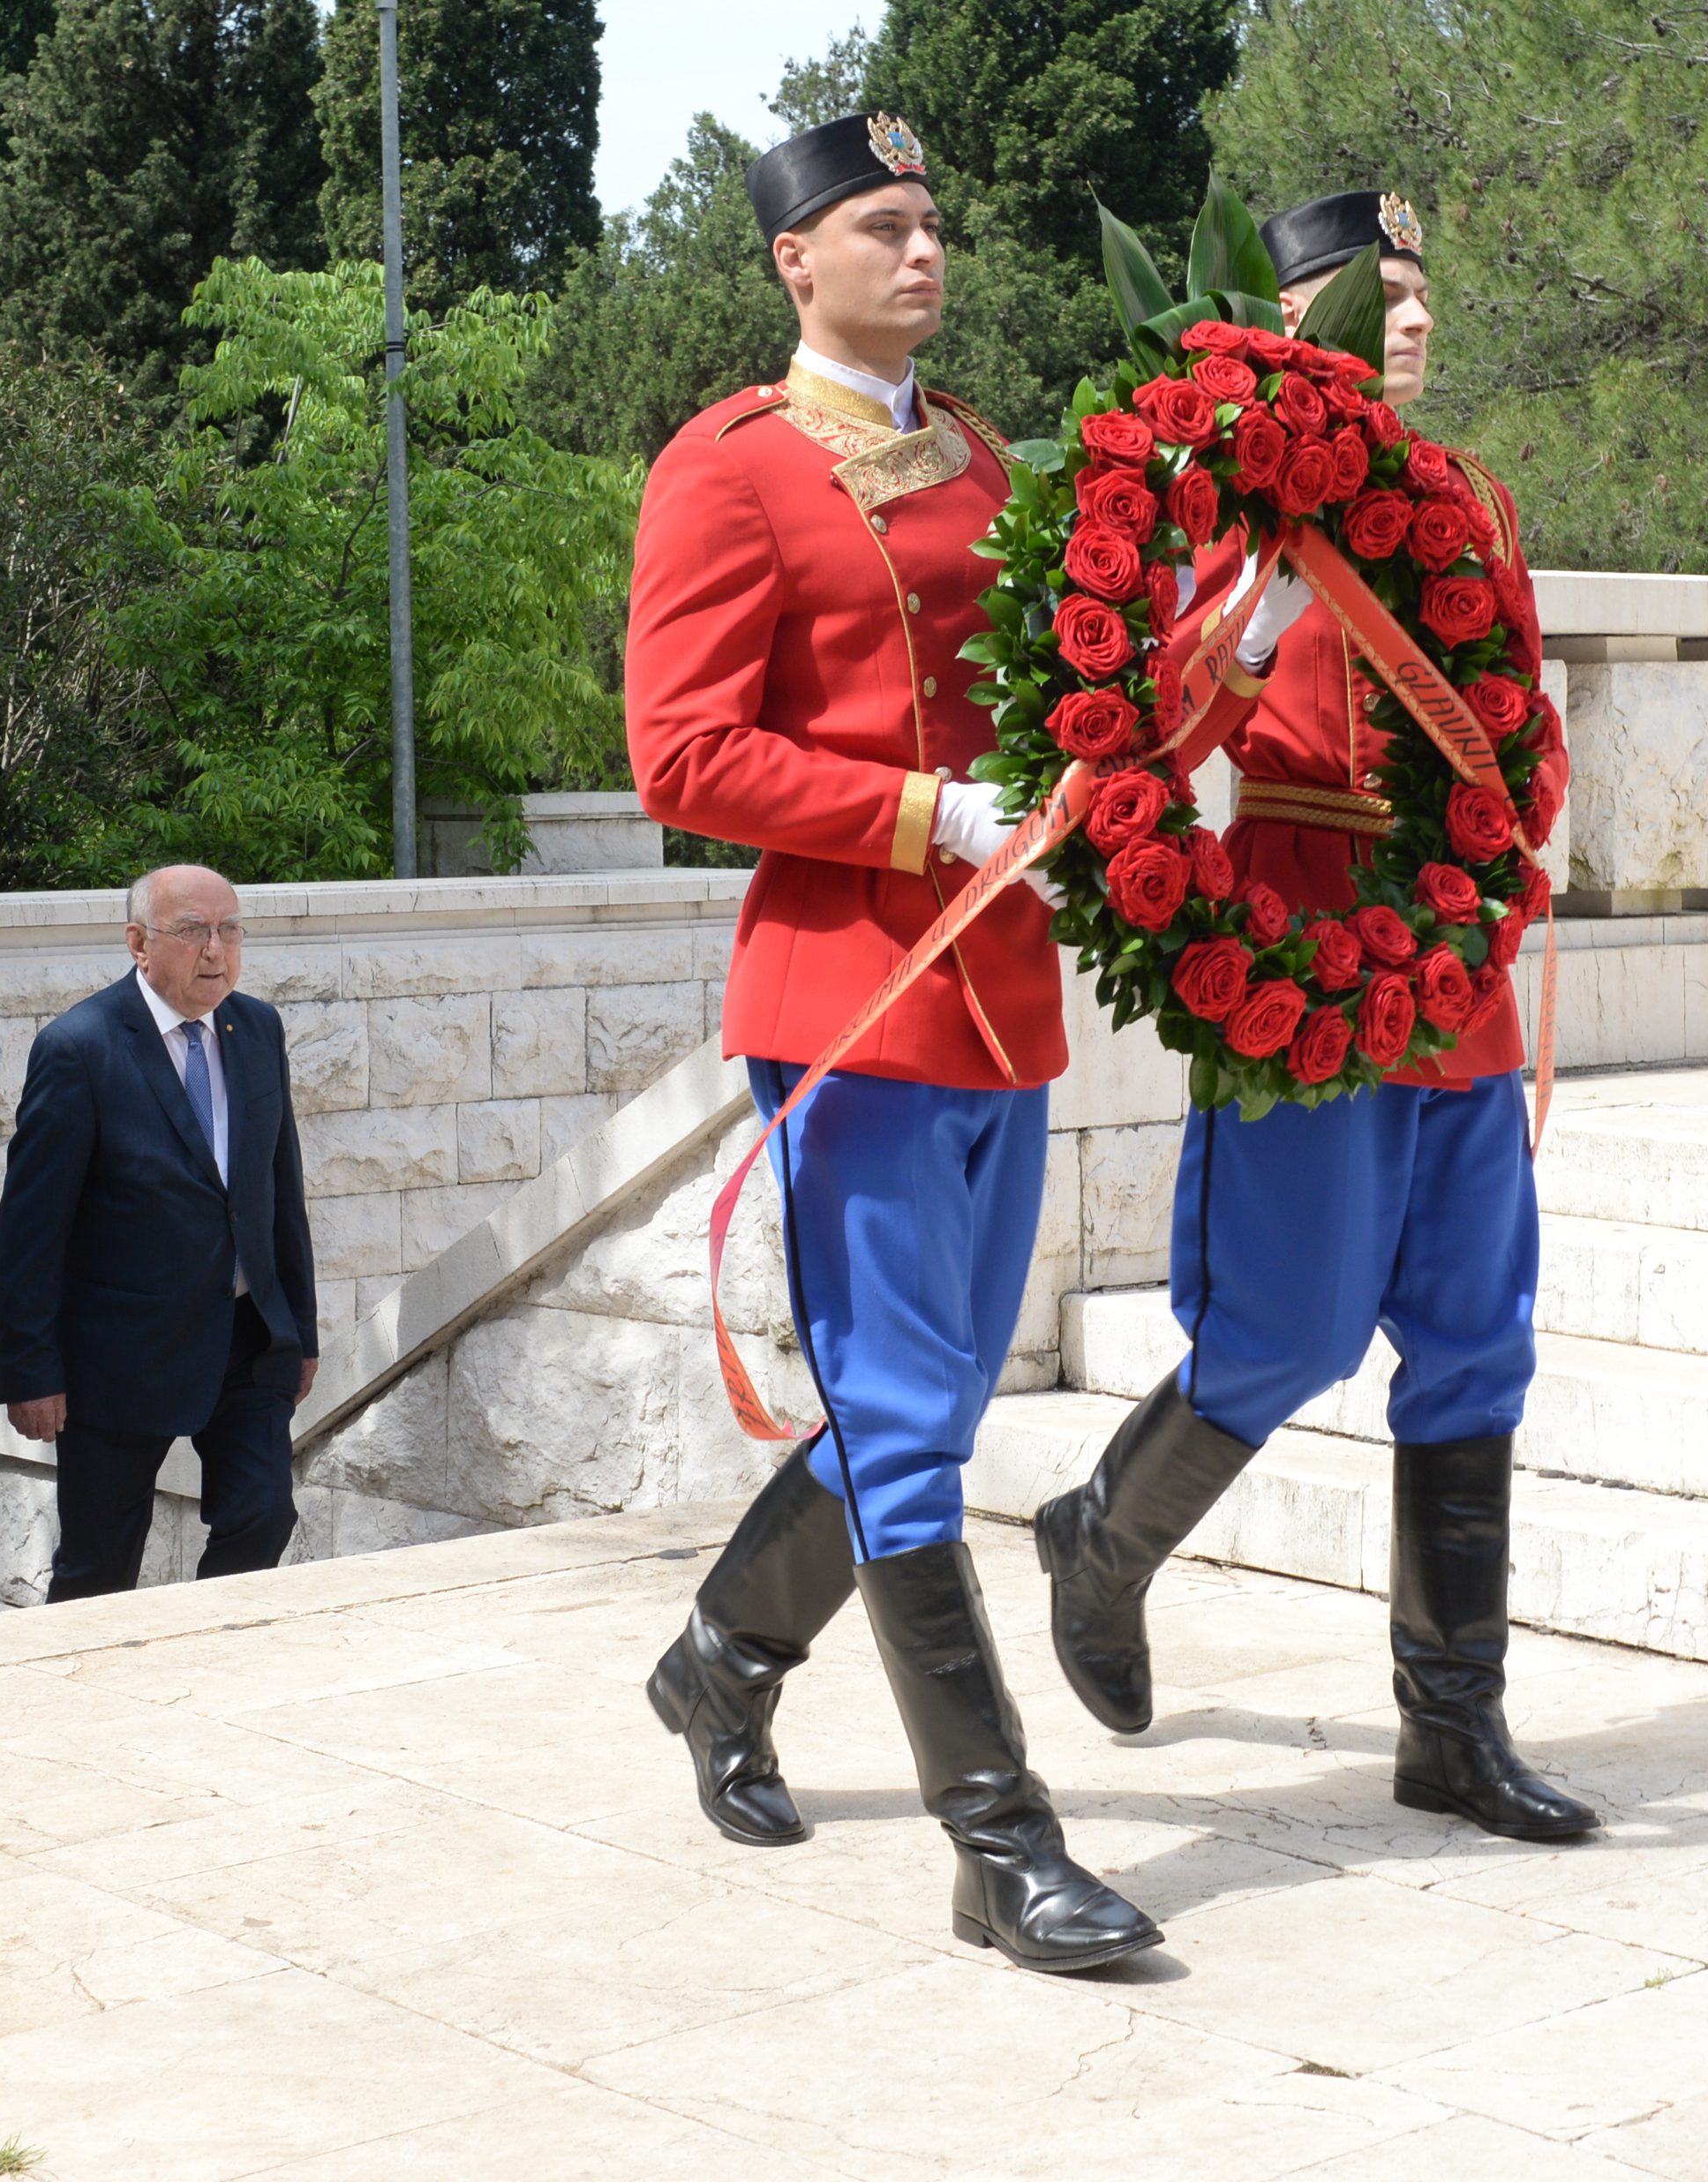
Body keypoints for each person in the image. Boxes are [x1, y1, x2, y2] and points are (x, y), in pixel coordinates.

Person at [624, 112, 1299, 1975]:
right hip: (846, 989)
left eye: (931, 227)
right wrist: (922, 811)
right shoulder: (727, 469)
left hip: (1000, 994)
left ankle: (719, 1661)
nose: (921, 255)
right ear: (793, 260)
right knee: (911, 1433)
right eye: (881, 228)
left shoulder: (990, 461)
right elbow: (679, 754)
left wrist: (1243, 639)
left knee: (918, 1408)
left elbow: (1094, 715)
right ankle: (999, 1851)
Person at [1029, 189, 1598, 1841]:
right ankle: (1105, 1538)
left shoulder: (1469, 498)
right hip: (1297, 944)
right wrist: (1263, 593)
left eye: (1422, 289)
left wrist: (1505, 852)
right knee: (1286, 1329)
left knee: (1479, 1338)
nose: (1412, 318)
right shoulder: (1228, 497)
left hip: (1456, 973)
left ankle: (1450, 1724)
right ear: (1294, 330)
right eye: (1377, 294)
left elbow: (1518, 711)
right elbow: (1168, 712)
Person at [0, 865, 320, 1597]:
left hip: (246, 1341)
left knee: (263, 1516)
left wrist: (299, 1327)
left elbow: (279, 1190)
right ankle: (78, 1701)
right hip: (120, 1357)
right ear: (138, 943)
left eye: (230, 929)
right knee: (98, 1569)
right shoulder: (80, 1047)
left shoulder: (257, 1028)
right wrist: (29, 1368)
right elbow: (32, 1226)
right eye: (193, 931)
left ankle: (201, 1663)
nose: (217, 950)